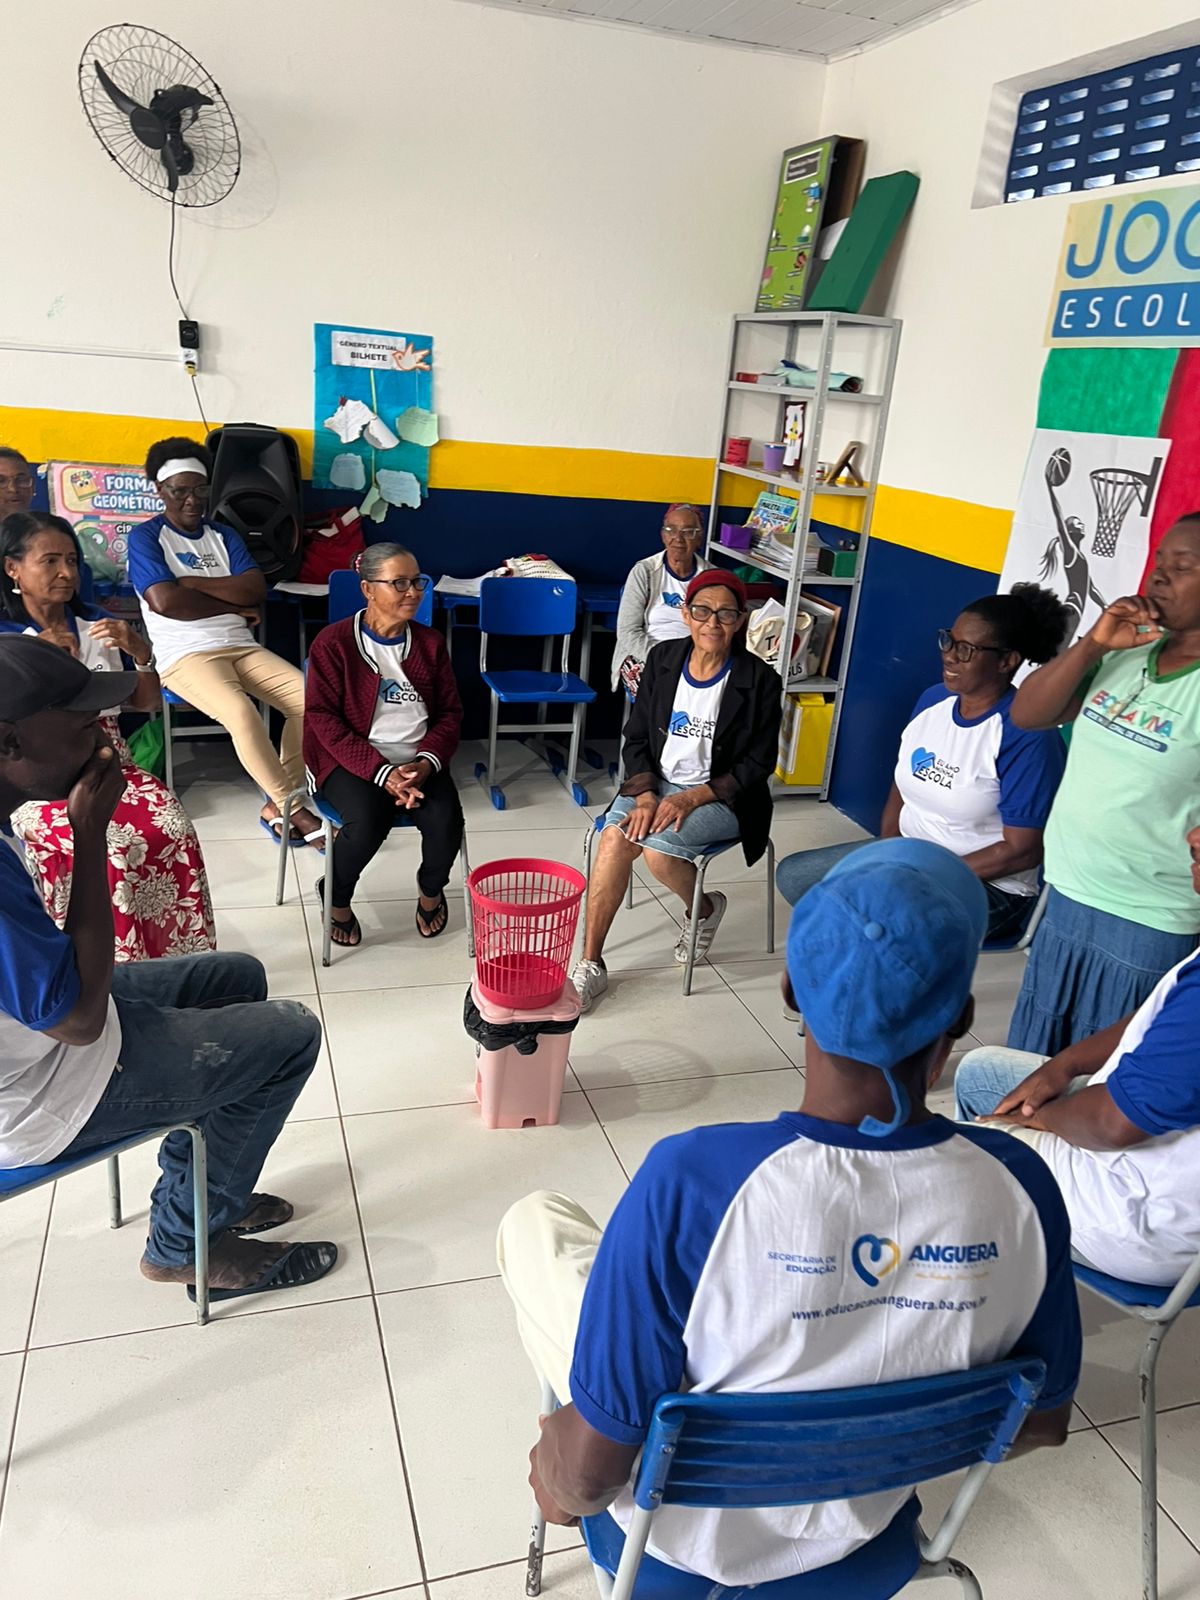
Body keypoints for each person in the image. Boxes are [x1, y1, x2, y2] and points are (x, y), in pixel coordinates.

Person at [499, 839, 1080, 1585]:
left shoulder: (693, 1180)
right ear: (962, 1017)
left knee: (537, 1221)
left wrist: (558, 1475)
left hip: (674, 1551)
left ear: (790, 992)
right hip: (865, 1533)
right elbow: (1041, 1422)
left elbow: (586, 1481)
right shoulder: (1023, 1185)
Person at [0, 635, 337, 1301]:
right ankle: (185, 1244)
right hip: (38, 1095)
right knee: (292, 1035)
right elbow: (78, 1021)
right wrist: (89, 833)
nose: (104, 740)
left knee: (236, 976)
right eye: (83, 726)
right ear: (9, 742)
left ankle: (204, 1188)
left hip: (42, 1037)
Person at [954, 826, 1200, 1287]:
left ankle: (984, 1285)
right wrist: (1064, 1065)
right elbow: (1162, 1015)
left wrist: (1043, 1118)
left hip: (1135, 1215)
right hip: (1155, 1165)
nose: (1194, 835)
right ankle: (1001, 1242)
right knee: (981, 1072)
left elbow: (1112, 1124)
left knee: (947, 1156)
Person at [776, 583, 1070, 944]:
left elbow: (1022, 851)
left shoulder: (1027, 735)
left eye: (966, 650)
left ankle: (866, 975)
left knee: (869, 923)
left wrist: (923, 873)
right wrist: (888, 851)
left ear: (1007, 660)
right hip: (912, 856)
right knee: (796, 876)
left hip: (986, 885)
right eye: (949, 641)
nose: (949, 656)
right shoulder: (934, 700)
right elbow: (902, 783)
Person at [1007, 514, 1200, 1055]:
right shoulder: (1128, 650)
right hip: (1070, 888)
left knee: (1103, 1069)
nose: (1159, 575)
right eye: (1159, 560)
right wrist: (1093, 644)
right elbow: (1028, 713)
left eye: (1183, 566)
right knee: (1037, 1058)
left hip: (1150, 916)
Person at [0, 511, 215, 961]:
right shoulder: (9, 644)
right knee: (114, 847)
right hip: (37, 777)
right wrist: (41, 659)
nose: (66, 573)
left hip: (111, 759)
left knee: (174, 829)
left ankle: (178, 956)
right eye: (50, 561)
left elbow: (144, 704)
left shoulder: (98, 625)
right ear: (12, 568)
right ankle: (104, 964)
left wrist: (141, 654)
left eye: (72, 561)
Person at [572, 571, 781, 1011]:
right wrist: (647, 795)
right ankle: (591, 964)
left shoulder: (759, 679)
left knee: (657, 852)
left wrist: (691, 797)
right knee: (613, 839)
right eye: (702, 611)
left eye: (726, 614)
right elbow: (636, 738)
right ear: (686, 614)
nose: (712, 623)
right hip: (657, 782)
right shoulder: (664, 659)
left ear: (741, 620)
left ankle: (703, 910)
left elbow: (758, 763)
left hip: (722, 795)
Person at [127, 437, 325, 847]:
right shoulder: (146, 538)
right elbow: (164, 602)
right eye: (180, 490)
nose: (192, 500)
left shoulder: (223, 534)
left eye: (200, 489)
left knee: (310, 700)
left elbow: (254, 589)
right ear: (160, 490)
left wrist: (190, 583)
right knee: (241, 713)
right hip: (185, 656)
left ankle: (278, 804)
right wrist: (231, 605)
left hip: (241, 647)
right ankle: (293, 807)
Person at [303, 543, 464, 948]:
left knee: (446, 821)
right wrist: (382, 773)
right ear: (368, 589)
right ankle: (335, 895)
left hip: (417, 761)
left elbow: (450, 714)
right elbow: (322, 719)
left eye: (417, 582)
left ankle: (431, 891)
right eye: (399, 583)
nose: (413, 592)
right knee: (367, 822)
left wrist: (424, 763)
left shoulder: (430, 644)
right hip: (348, 760)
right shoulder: (333, 643)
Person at [612, 503, 711, 699]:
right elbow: (627, 631)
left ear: (699, 538)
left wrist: (691, 661)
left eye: (688, 532)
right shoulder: (645, 571)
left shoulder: (711, 577)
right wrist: (664, 659)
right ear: (663, 535)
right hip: (646, 654)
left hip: (696, 657)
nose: (678, 538)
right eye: (671, 530)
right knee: (663, 691)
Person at [0, 447, 35, 519]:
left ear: (33, 486)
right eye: (1, 481)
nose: (13, 489)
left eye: (21, 480)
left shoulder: (49, 524)